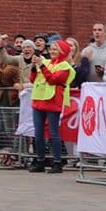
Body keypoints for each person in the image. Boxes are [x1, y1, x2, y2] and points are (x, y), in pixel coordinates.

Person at [28, 40, 76, 174]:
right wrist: (34, 67)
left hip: (53, 100)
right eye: (51, 49)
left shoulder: (65, 67)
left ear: (62, 52)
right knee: (38, 133)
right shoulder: (46, 62)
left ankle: (57, 162)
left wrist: (41, 66)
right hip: (39, 99)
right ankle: (40, 160)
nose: (52, 51)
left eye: (55, 49)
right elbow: (33, 79)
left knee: (53, 133)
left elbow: (53, 79)